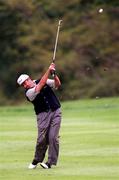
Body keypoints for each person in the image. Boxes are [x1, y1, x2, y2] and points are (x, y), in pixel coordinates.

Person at [17, 63, 62, 169]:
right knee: (41, 139)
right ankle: (37, 159)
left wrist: (54, 74)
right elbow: (40, 86)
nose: (25, 85)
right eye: (23, 85)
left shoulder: (44, 80)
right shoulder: (29, 93)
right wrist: (48, 70)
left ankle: (50, 162)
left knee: (53, 138)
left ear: (29, 79)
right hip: (42, 116)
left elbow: (57, 85)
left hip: (56, 111)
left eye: (25, 82)